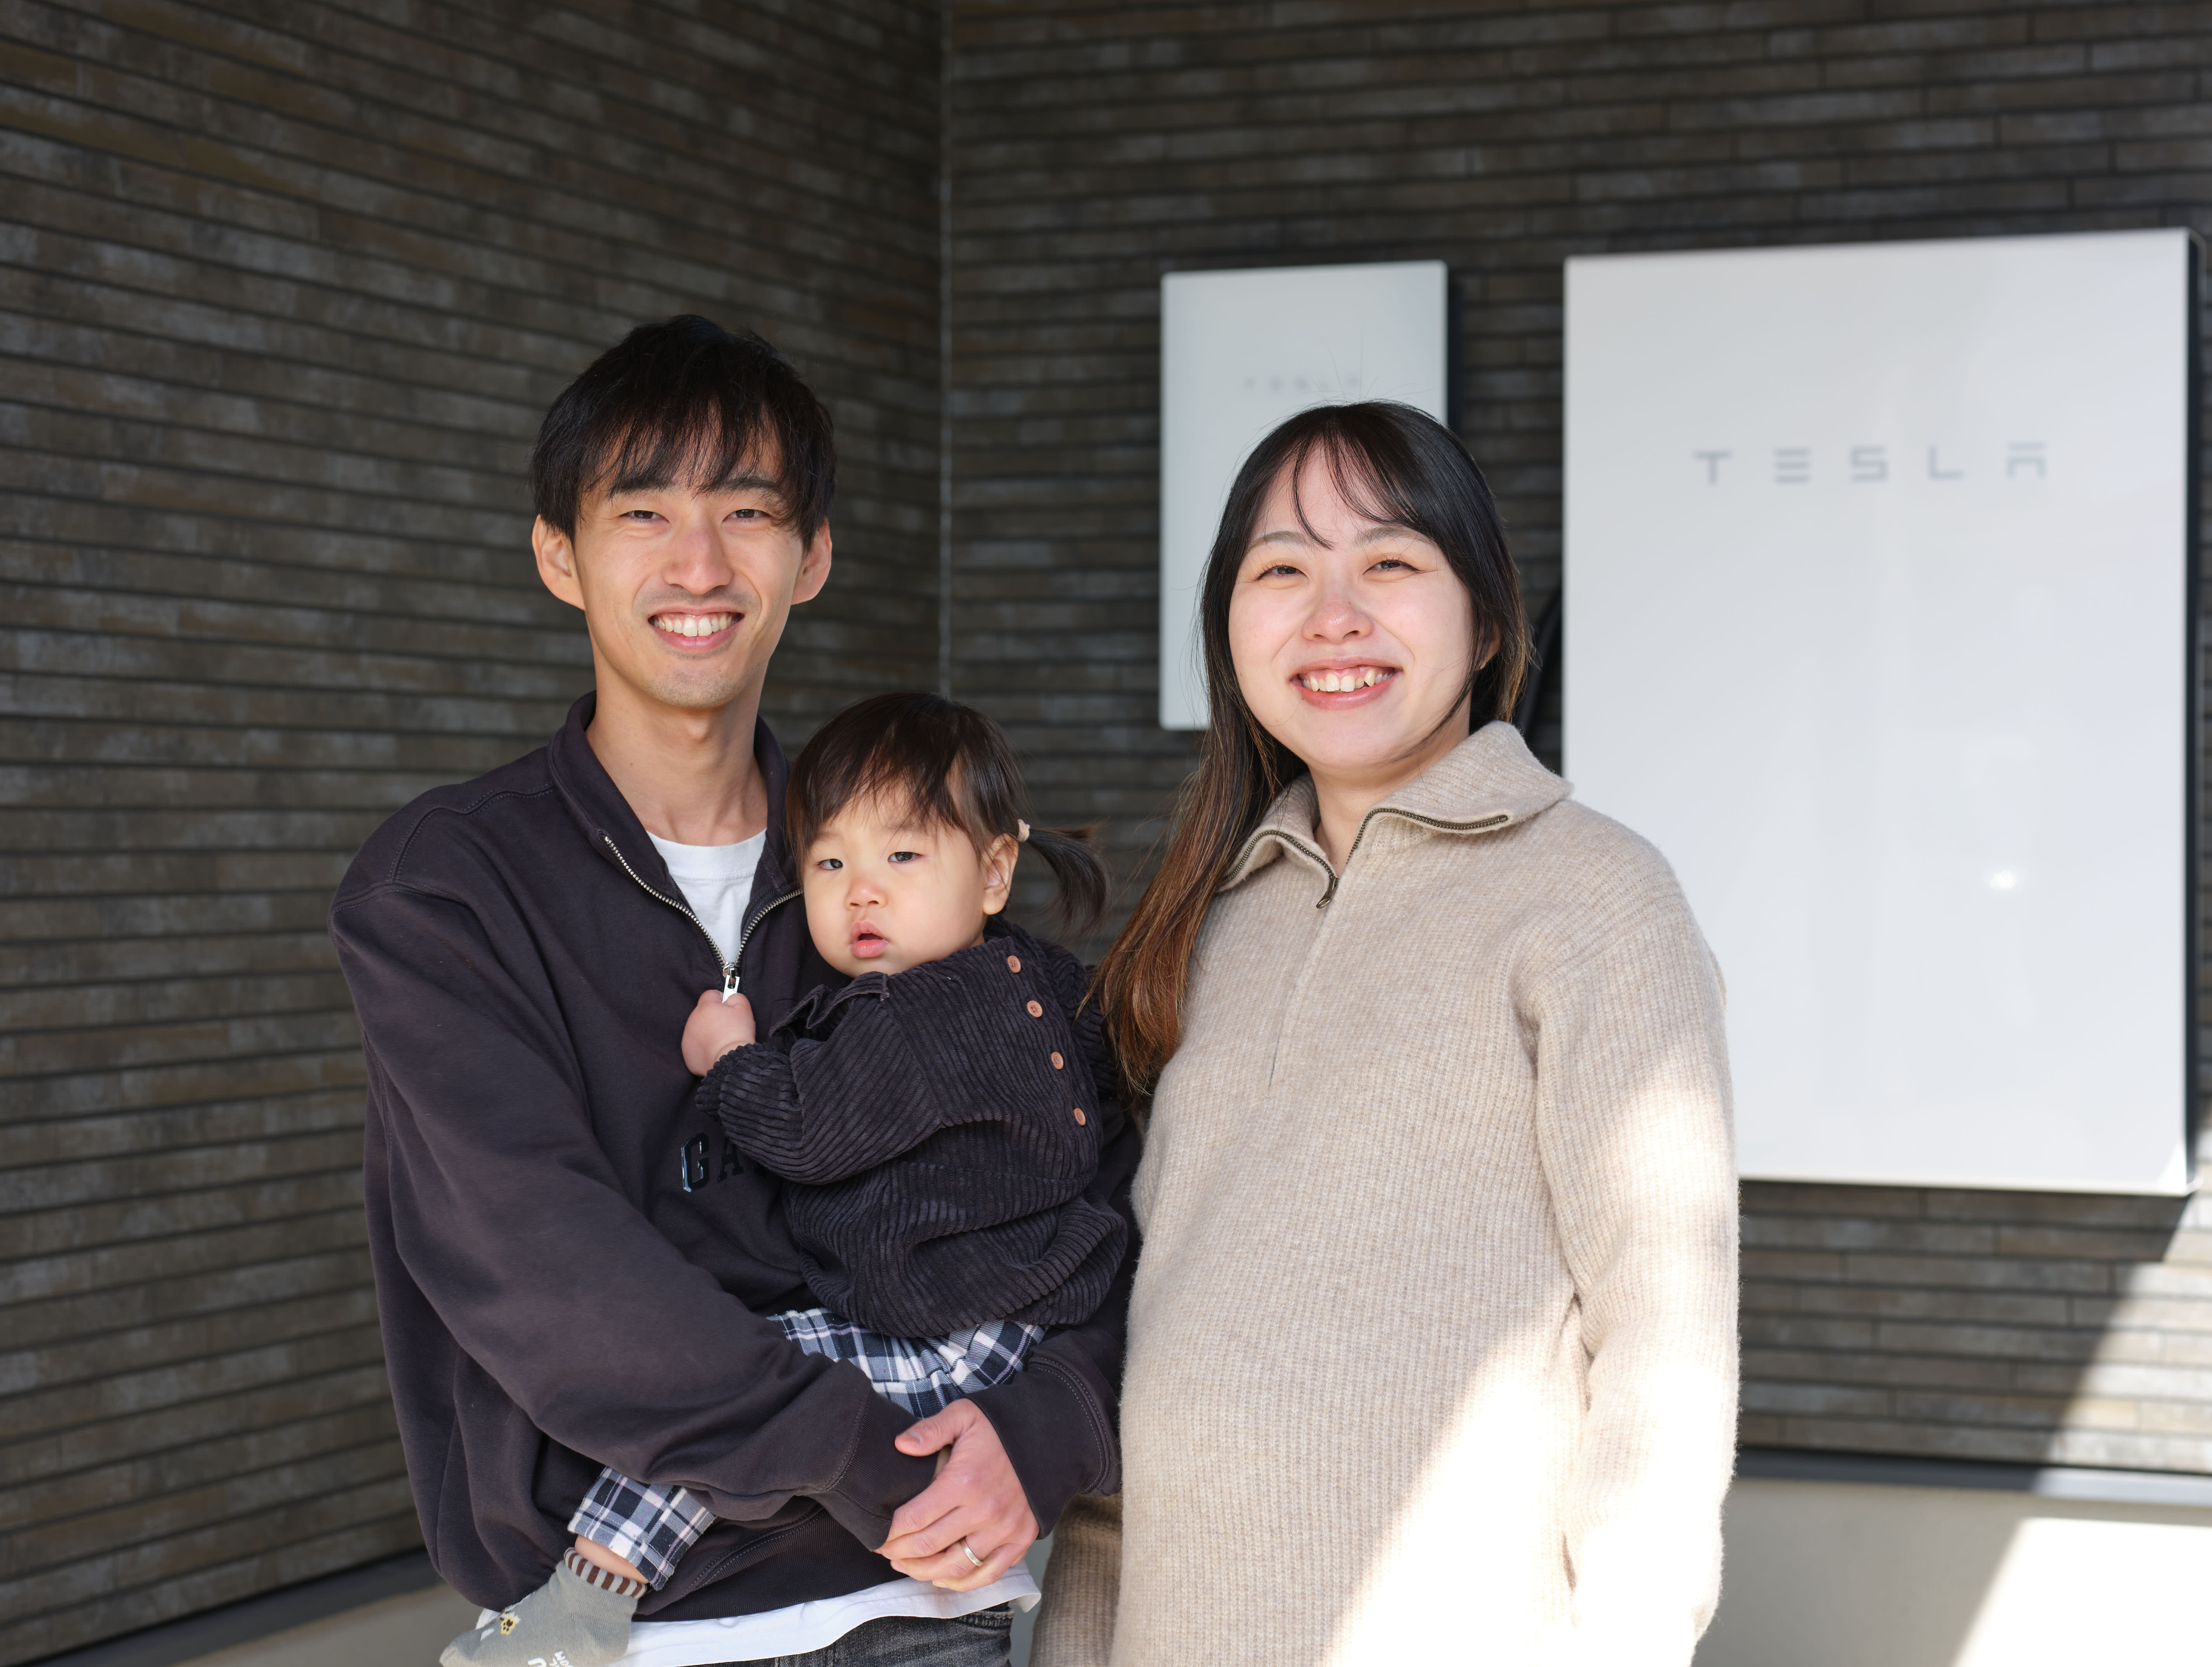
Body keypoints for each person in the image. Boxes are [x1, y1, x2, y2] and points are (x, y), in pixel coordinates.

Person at [333, 318, 1136, 1667]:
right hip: (625, 1629)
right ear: (558, 553)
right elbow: (539, 1260)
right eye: (641, 509)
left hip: (922, 1614)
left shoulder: (900, 872)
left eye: (747, 511)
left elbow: (1093, 1175)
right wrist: (869, 1457)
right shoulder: (446, 887)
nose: (697, 564)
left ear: (809, 554)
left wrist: (1044, 1430)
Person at [1032, 403, 1740, 1666]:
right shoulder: (1202, 917)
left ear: (1485, 620)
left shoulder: (1594, 896)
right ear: (1229, 629)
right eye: (1283, 568)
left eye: (1392, 562)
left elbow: (1664, 1334)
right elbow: (1138, 1340)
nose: (1333, 613)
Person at [447, 692, 1127, 1667]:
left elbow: (809, 1132)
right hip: (1010, 1326)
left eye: (902, 857)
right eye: (828, 862)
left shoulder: (921, 1017)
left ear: (993, 871)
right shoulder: (1041, 984)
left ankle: (583, 1604)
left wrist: (729, 1062)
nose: (861, 893)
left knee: (730, 1395)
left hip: (953, 1333)